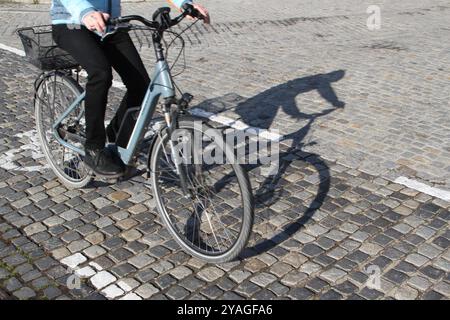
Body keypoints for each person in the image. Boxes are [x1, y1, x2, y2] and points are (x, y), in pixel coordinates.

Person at [50, 0, 210, 177]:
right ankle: (94, 148)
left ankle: (116, 137)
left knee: (141, 86)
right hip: (73, 23)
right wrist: (85, 12)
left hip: (111, 25)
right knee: (101, 73)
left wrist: (184, 3)